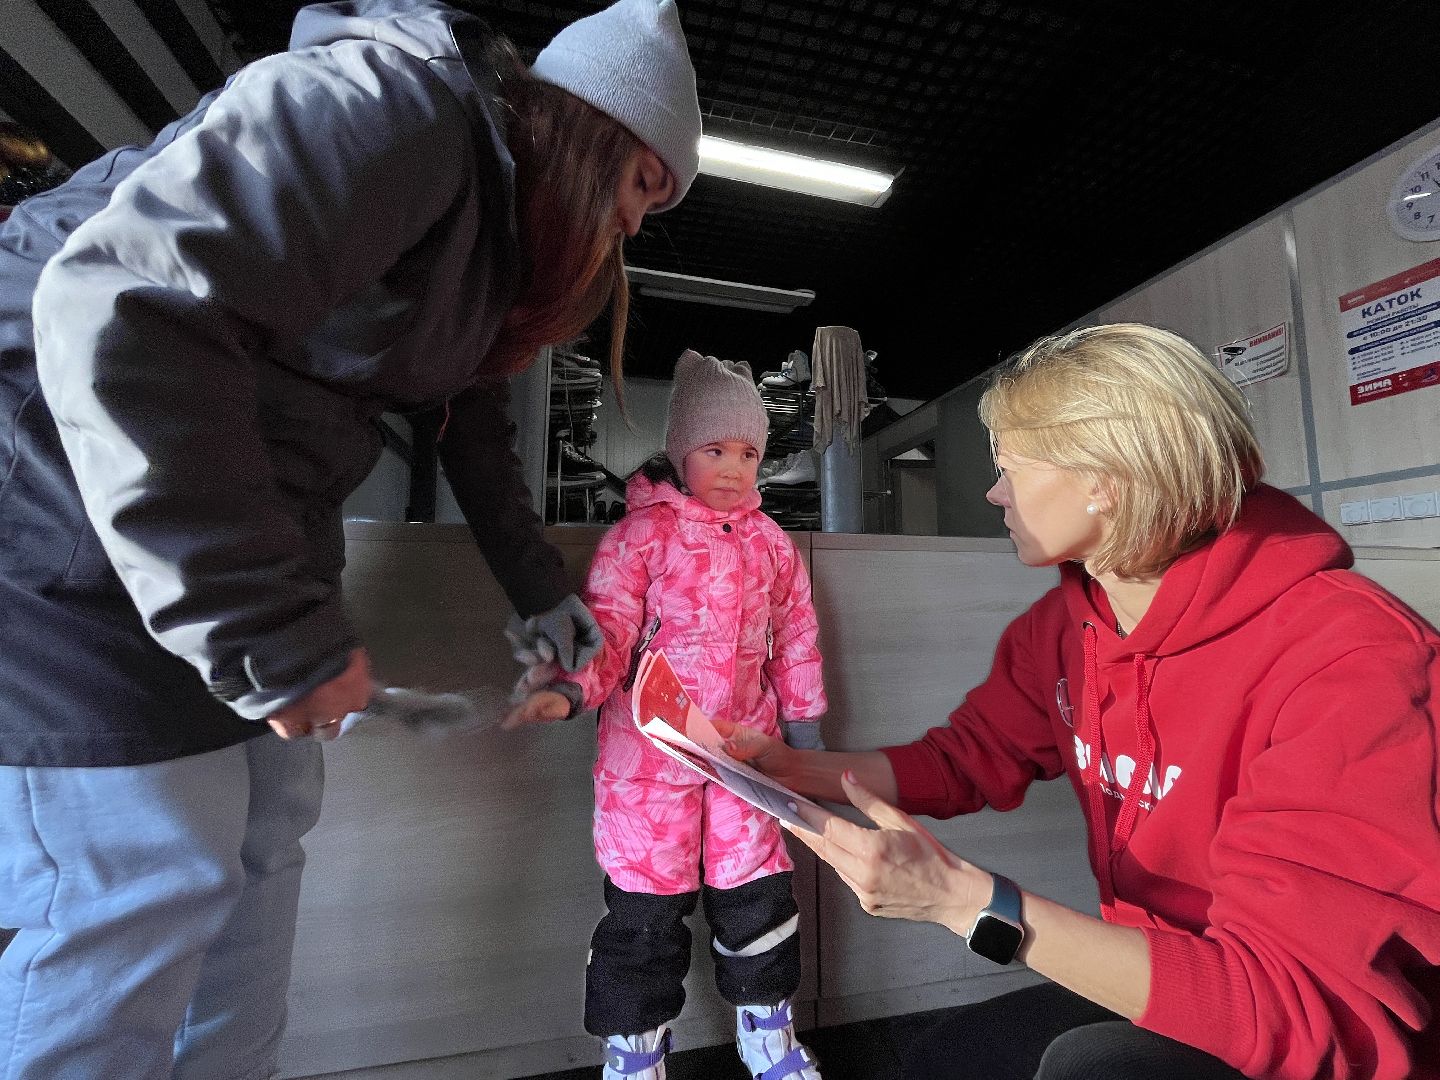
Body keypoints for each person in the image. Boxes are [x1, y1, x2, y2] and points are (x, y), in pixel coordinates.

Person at [0, 0, 702, 1075]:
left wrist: (539, 593)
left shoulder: (486, 252)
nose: (635, 230)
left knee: (266, 838)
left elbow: (469, 428)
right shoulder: (388, 109)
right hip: (57, 489)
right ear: (587, 132)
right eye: (641, 189)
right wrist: (270, 632)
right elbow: (119, 303)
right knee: (146, 872)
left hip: (221, 515)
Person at [721, 323, 1440, 1080]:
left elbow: (1297, 1009)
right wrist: (793, 771)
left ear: (1105, 479)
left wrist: (966, 901)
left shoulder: (1351, 661)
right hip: (1172, 983)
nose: (995, 492)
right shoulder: (1065, 625)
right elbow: (968, 759)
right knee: (944, 1062)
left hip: (1313, 1043)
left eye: (1010, 468)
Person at [506, 351, 828, 1080]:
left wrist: (804, 732)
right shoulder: (638, 538)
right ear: (681, 450)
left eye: (749, 453)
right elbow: (610, 629)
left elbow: (799, 637)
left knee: (759, 900)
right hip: (647, 769)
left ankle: (766, 1036)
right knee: (645, 916)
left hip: (744, 757)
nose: (735, 468)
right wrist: (571, 689)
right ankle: (635, 1050)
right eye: (716, 449)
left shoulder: (771, 545)